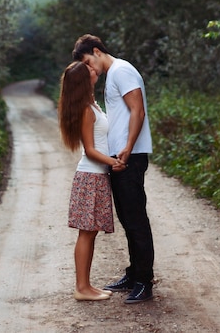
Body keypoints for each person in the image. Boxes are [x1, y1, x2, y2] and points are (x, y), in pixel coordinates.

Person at [72, 34, 155, 304]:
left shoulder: (122, 70)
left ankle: (144, 282)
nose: (89, 69)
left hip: (129, 156)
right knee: (128, 219)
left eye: (88, 61)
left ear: (97, 51)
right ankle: (134, 274)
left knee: (136, 220)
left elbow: (138, 111)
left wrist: (128, 147)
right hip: (119, 159)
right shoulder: (112, 76)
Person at [58, 61, 126, 301]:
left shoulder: (92, 105)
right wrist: (112, 162)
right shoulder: (87, 110)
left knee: (91, 232)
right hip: (90, 176)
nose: (93, 69)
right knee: (86, 233)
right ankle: (81, 287)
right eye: (89, 71)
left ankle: (86, 285)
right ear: (83, 81)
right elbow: (89, 150)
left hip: (97, 177)